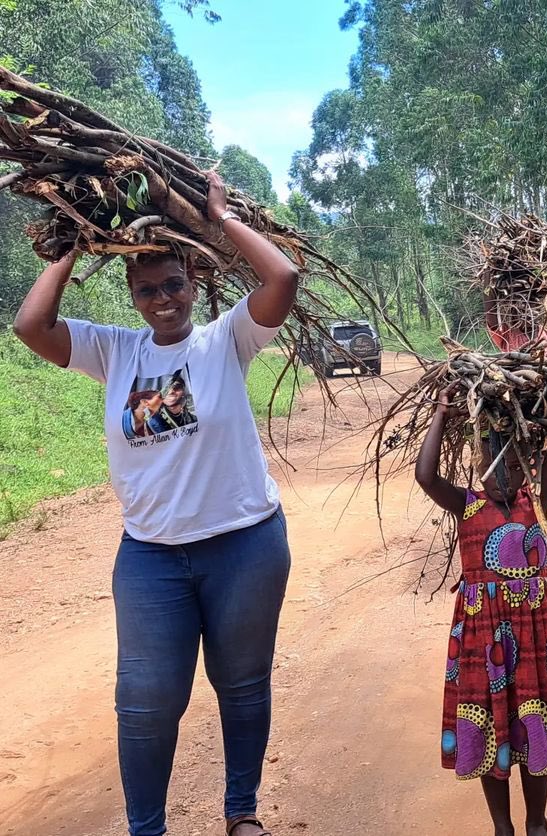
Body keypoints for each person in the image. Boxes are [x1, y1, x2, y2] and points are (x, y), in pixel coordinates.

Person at [13, 171, 298, 836]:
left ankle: (241, 812)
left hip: (245, 544)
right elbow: (31, 325)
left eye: (174, 284)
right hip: (151, 557)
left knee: (242, 683)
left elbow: (282, 280)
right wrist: (75, 240)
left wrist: (221, 218)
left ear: (194, 284)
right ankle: (147, 828)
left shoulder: (227, 338)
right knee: (144, 701)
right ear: (133, 297)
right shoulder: (114, 351)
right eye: (148, 290)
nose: (163, 299)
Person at [415, 387, 547, 836]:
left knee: (536, 722)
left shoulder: (535, 502)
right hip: (483, 636)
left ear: (525, 456)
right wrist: (442, 414)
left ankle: (537, 823)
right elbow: (426, 477)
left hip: (535, 633)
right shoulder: (466, 504)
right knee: (487, 724)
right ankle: (502, 826)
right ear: (475, 459)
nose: (500, 468)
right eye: (489, 454)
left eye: (511, 455)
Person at [484, 292, 547, 549]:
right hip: (518, 412)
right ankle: (523, 526)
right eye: (513, 309)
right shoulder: (508, 335)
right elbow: (490, 317)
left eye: (526, 306)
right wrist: (490, 280)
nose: (520, 313)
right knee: (520, 469)